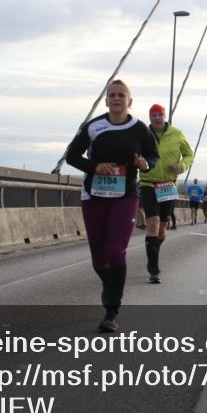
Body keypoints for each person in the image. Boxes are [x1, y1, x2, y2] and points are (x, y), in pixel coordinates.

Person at [64, 79, 158, 333]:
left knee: (117, 251)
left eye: (121, 95)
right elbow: (71, 156)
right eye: (112, 95)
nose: (116, 99)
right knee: (98, 259)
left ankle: (111, 310)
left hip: (125, 196)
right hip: (93, 196)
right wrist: (95, 166)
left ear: (130, 101)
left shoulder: (139, 129)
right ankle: (112, 285)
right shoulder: (93, 127)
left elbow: (153, 156)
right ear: (106, 101)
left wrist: (145, 165)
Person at [139, 104, 194, 284]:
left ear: (164, 116)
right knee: (152, 224)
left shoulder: (177, 134)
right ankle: (153, 268)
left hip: (169, 186)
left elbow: (189, 155)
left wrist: (182, 166)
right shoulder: (143, 134)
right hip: (148, 184)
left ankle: (154, 247)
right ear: (150, 117)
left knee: (162, 229)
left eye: (159, 115)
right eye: (153, 115)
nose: (157, 118)